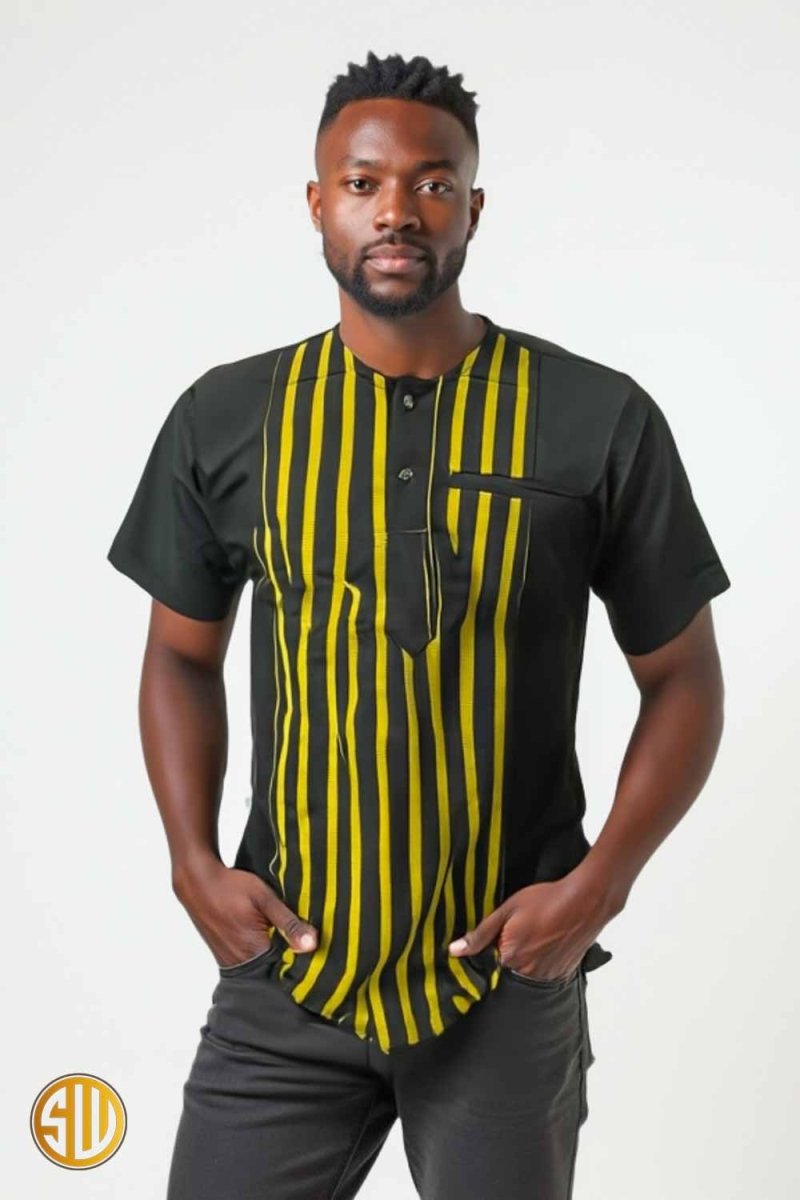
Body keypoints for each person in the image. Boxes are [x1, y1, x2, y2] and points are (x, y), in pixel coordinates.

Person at [106, 49, 731, 1200]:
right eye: (363, 183)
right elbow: (180, 655)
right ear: (317, 203)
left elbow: (682, 676)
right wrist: (192, 863)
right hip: (288, 973)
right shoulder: (226, 418)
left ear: (472, 209)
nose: (395, 209)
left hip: (503, 981)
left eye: (432, 183)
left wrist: (597, 886)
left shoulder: (593, 416)